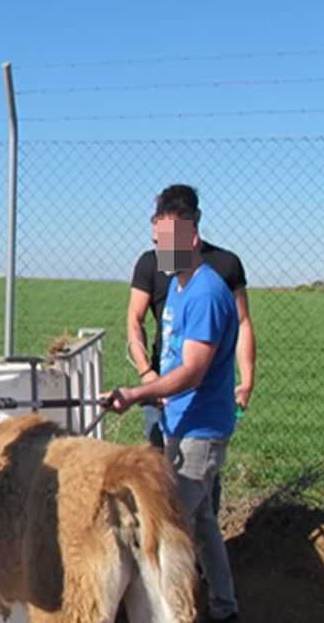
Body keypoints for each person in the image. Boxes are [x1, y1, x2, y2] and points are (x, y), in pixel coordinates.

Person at [109, 198, 241, 623]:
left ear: (192, 238)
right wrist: (156, 388)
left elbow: (194, 370)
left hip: (199, 431)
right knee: (202, 524)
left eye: (166, 242)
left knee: (167, 532)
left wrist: (135, 392)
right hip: (180, 421)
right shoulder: (182, 287)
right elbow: (174, 360)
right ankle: (224, 608)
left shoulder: (204, 293)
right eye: (155, 242)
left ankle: (173, 613)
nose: (158, 251)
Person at [126, 184, 256, 510]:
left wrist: (247, 380)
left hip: (200, 400)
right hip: (159, 392)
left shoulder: (223, 268)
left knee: (190, 499)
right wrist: (147, 376)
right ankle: (203, 557)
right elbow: (134, 319)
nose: (162, 248)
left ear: (194, 221)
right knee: (159, 481)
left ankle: (186, 558)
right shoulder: (153, 265)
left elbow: (242, 324)